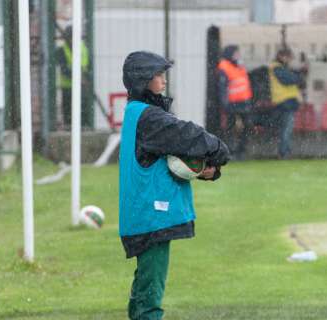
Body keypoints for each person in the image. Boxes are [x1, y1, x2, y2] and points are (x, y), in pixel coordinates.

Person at [119, 51, 230, 320]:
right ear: (143, 80)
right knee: (150, 296)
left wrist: (205, 170)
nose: (163, 80)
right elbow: (188, 135)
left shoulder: (138, 113)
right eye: (158, 75)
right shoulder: (150, 117)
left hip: (143, 215)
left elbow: (168, 156)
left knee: (144, 286)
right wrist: (218, 150)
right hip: (151, 217)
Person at [268, 47, 308, 159]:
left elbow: (293, 76)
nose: (290, 60)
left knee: (286, 128)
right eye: (289, 57)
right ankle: (284, 152)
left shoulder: (281, 67)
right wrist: (300, 75)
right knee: (286, 129)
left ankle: (284, 151)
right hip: (284, 102)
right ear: (281, 56)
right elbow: (288, 79)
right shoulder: (276, 68)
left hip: (287, 102)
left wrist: (300, 73)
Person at [217, 45, 253, 160]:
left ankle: (240, 151)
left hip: (244, 102)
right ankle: (230, 151)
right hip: (232, 104)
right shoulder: (224, 67)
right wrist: (225, 104)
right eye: (236, 53)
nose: (238, 55)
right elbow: (222, 88)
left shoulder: (239, 66)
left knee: (246, 127)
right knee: (230, 129)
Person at [56, 25, 89, 126]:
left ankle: (82, 126)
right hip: (68, 87)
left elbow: (89, 65)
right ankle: (70, 126)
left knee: (81, 109)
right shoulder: (61, 50)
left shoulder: (83, 48)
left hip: (80, 87)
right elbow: (64, 69)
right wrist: (80, 78)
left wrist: (85, 78)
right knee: (69, 110)